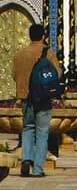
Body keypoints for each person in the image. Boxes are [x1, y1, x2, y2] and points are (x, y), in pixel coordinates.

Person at [11, 23, 60, 178]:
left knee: (27, 129)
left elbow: (14, 75)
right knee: (42, 132)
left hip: (26, 98)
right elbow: (57, 74)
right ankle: (38, 168)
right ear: (43, 36)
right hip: (43, 98)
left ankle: (26, 158)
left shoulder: (20, 54)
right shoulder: (48, 53)